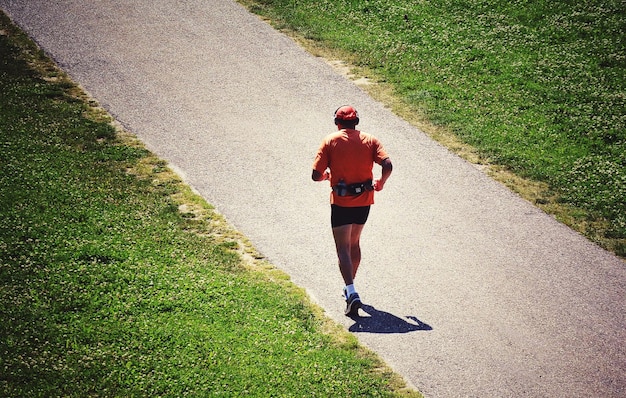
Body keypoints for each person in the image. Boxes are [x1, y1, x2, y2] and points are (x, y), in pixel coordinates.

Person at [311, 105, 393, 316]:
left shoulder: (331, 141)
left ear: (337, 123)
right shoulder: (371, 140)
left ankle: (351, 291)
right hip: (364, 201)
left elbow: (315, 174)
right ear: (356, 122)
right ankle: (350, 287)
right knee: (354, 243)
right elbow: (388, 164)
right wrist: (381, 183)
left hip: (341, 202)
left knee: (342, 248)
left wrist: (326, 177)